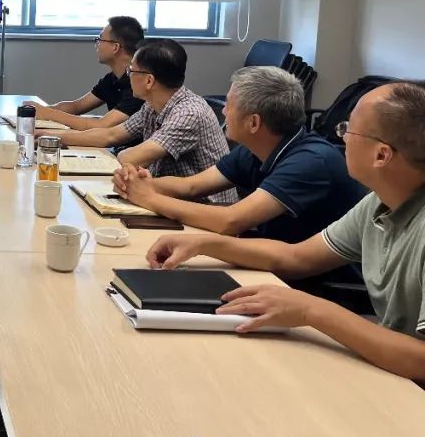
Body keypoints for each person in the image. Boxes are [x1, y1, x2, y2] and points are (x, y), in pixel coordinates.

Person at [145, 81, 425, 380]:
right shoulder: (378, 203)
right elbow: (296, 257)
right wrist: (205, 244)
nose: (341, 138)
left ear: (381, 155)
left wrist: (310, 310)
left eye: (348, 130)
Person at [114, 66, 366, 241]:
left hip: (314, 282)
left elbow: (230, 220)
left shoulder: (310, 162)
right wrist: (139, 184)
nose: (223, 112)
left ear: (253, 123)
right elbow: (190, 186)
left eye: (230, 105)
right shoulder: (256, 148)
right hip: (274, 260)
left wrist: (149, 198)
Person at [39, 39, 234, 203]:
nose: (128, 76)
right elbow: (110, 135)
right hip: (171, 197)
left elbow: (131, 157)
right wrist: (49, 136)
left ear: (149, 81)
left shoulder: (188, 114)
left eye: (131, 70)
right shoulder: (152, 105)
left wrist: (123, 155)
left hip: (207, 207)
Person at [23, 16, 145, 129]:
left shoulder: (138, 84)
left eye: (100, 39)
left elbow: (102, 125)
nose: (96, 45)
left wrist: (48, 114)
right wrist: (41, 110)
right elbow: (76, 106)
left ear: (115, 47)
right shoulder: (112, 79)